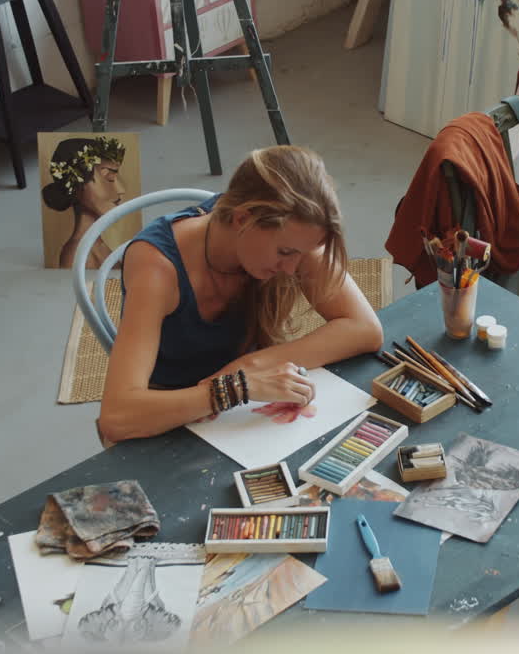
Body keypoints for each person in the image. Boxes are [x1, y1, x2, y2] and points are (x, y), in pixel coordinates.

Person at [99, 146, 384, 442]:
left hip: (243, 400)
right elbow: (117, 418)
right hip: (166, 414)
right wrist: (235, 387)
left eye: (302, 254)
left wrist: (248, 368)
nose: (292, 270)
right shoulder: (157, 268)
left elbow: (365, 329)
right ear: (242, 219)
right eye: (285, 253)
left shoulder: (297, 232)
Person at [42, 136, 129, 269]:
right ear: (77, 184)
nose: (121, 189)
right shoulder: (77, 256)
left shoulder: (96, 244)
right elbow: (83, 290)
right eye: (109, 177)